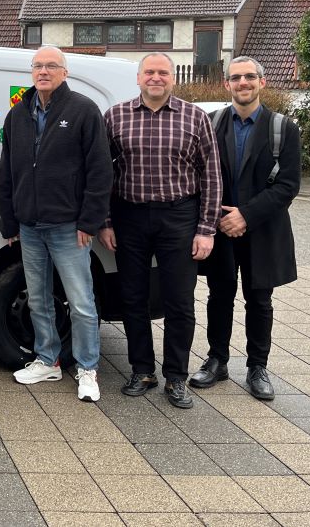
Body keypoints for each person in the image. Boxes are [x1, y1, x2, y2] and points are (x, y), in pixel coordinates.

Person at [99, 52, 221, 410]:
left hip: (179, 217)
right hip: (129, 216)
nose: (156, 77)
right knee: (133, 297)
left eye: (162, 72)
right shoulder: (116, 116)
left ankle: (177, 377)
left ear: (172, 78)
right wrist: (105, 221)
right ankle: (142, 370)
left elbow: (211, 176)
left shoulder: (195, 117)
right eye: (149, 72)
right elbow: (101, 174)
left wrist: (206, 229)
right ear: (138, 79)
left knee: (179, 301)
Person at [0, 46, 112, 402]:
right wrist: (9, 220)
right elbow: (7, 171)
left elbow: (100, 170)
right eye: (38, 66)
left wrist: (90, 221)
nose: (43, 71)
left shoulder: (83, 110)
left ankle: (87, 368)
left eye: (51, 66)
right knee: (39, 299)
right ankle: (48, 360)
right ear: (31, 72)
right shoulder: (18, 114)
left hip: (68, 226)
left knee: (80, 302)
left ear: (65, 72)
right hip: (29, 226)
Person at [190, 57, 301, 401]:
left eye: (249, 77)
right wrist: (220, 218)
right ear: (227, 84)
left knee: (260, 299)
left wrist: (246, 216)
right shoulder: (211, 123)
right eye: (236, 78)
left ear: (262, 83)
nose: (243, 83)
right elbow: (199, 175)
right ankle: (217, 360)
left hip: (263, 229)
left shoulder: (284, 128)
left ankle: (257, 367)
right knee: (219, 295)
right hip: (220, 228)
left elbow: (287, 185)